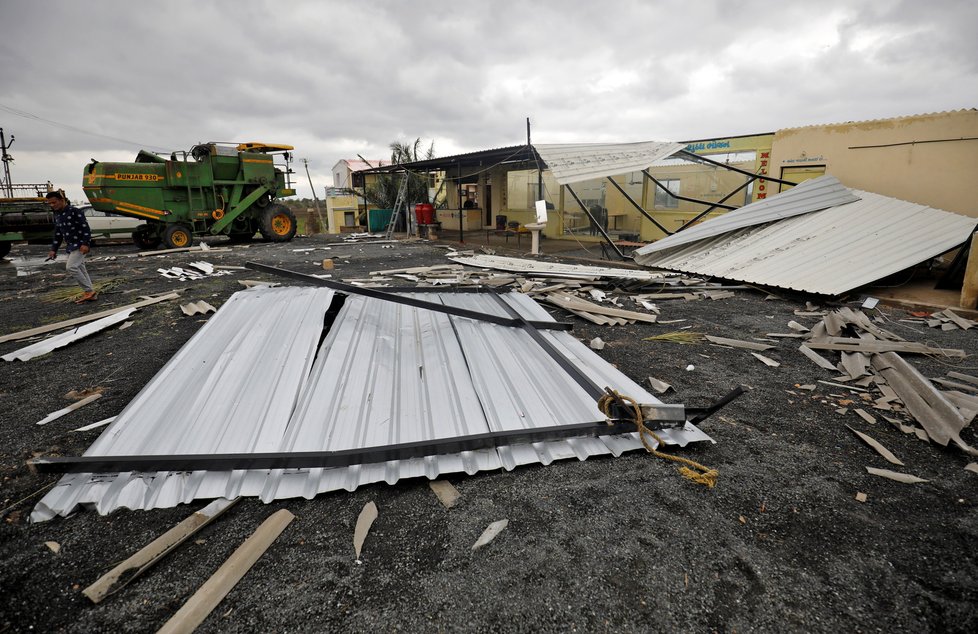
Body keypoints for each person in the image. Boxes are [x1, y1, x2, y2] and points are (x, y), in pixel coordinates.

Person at [46, 191, 97, 303]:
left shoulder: (75, 211)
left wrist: (85, 243)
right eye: (49, 203)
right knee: (81, 268)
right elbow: (58, 234)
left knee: (71, 267)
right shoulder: (57, 215)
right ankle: (91, 293)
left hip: (79, 245)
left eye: (54, 202)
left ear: (62, 200)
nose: (52, 205)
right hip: (70, 246)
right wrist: (53, 250)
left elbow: (86, 229)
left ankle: (88, 291)